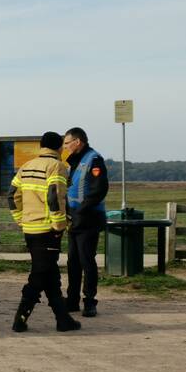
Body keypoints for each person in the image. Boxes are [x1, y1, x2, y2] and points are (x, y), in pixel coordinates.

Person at [8, 131, 81, 333]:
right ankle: (20, 318)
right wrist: (59, 226)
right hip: (47, 229)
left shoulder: (26, 166)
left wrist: (21, 219)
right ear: (58, 148)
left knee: (50, 273)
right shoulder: (57, 166)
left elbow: (12, 195)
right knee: (40, 274)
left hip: (30, 229)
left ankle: (63, 319)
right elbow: (53, 197)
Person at [63, 127, 108, 318]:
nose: (64, 147)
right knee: (73, 261)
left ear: (77, 142)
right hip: (74, 218)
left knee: (86, 261)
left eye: (67, 143)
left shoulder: (93, 159)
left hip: (88, 218)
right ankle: (72, 300)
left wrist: (82, 210)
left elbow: (99, 189)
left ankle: (89, 301)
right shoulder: (75, 161)